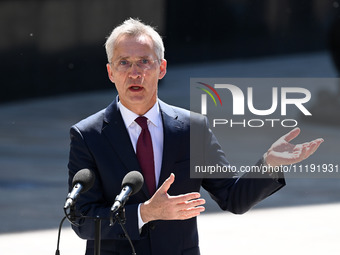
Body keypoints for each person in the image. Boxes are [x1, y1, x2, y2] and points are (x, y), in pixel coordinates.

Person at [67, 18, 324, 255]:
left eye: (144, 61)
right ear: (111, 72)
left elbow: (233, 197)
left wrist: (269, 164)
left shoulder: (192, 128)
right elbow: (83, 219)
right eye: (124, 62)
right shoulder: (88, 135)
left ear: (162, 68)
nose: (135, 73)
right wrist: (144, 213)